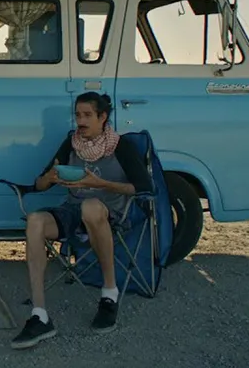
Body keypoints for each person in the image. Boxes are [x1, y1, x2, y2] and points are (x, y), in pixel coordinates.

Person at [10, 92, 152, 350]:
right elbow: (39, 185)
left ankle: (109, 295)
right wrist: (50, 177)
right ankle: (39, 315)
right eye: (78, 115)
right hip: (73, 210)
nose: (81, 121)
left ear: (103, 117)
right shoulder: (71, 143)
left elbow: (143, 187)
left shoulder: (120, 146)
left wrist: (99, 184)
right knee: (35, 221)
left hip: (109, 213)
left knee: (91, 205)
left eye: (87, 115)